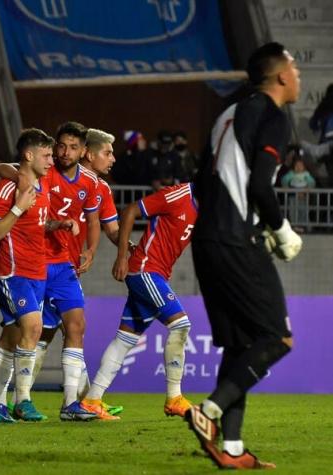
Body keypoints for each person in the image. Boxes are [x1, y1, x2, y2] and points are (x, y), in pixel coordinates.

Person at [188, 42, 302, 469]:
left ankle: (232, 448)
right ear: (281, 77)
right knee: (277, 337)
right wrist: (281, 230)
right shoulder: (272, 115)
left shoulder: (226, 113)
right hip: (236, 240)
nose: (298, 75)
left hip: (208, 239)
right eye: (294, 68)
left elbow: (202, 182)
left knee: (241, 343)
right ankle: (211, 411)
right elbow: (259, 187)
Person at [0, 122, 105, 421]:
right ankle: (4, 400)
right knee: (27, 332)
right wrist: (19, 179)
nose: (64, 152)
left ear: (84, 152)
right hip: (35, 262)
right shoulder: (41, 172)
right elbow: (2, 167)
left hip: (63, 264)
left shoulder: (90, 182)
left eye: (72, 147)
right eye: (60, 146)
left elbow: (95, 221)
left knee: (76, 325)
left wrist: (90, 250)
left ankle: (69, 403)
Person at [0, 128, 78, 423]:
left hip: (37, 273)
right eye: (46, 155)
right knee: (33, 328)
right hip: (12, 272)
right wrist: (19, 208)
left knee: (12, 339)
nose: (51, 160)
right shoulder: (7, 191)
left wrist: (57, 224)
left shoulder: (40, 188)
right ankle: (23, 400)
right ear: (29, 155)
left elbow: (35, 226)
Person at [80, 183, 197, 420]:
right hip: (145, 270)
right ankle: (174, 397)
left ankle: (92, 400)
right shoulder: (180, 194)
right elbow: (131, 210)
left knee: (124, 340)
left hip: (156, 273)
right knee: (181, 325)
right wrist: (122, 256)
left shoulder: (209, 208)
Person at [281, 156, 315, 232]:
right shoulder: (291, 174)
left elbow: (311, 182)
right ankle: (295, 225)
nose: (298, 168)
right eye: (296, 166)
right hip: (293, 196)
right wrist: (285, 186)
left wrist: (307, 189)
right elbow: (284, 180)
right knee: (293, 211)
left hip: (303, 196)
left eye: (300, 166)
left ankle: (305, 225)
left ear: (304, 167)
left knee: (303, 211)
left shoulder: (306, 174)